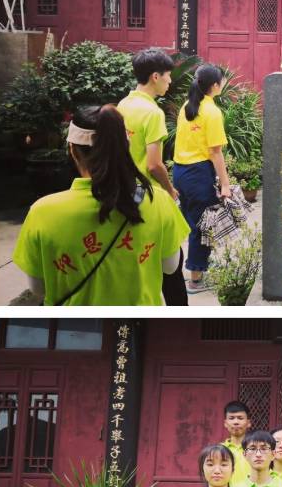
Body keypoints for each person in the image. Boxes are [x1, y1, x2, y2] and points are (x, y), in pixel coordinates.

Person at [12, 105, 189, 306]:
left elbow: (38, 289)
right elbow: (170, 267)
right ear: (125, 148)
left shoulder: (42, 212)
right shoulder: (159, 201)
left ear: (73, 150)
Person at [117, 48, 187, 305]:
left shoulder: (123, 105)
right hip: (148, 196)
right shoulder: (153, 112)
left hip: (124, 194)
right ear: (155, 77)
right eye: (168, 75)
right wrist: (170, 190)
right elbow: (154, 164)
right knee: (172, 266)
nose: (170, 81)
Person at [172, 64, 232, 295]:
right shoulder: (212, 112)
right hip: (198, 174)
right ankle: (196, 279)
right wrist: (225, 184)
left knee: (194, 222)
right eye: (222, 80)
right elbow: (215, 152)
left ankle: (201, 264)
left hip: (181, 172)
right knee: (202, 226)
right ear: (215, 86)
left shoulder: (187, 106)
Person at [222, 400, 253, 487]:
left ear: (248, 423)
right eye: (231, 418)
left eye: (240, 418)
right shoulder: (220, 449)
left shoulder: (256, 450)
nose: (236, 422)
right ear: (225, 423)